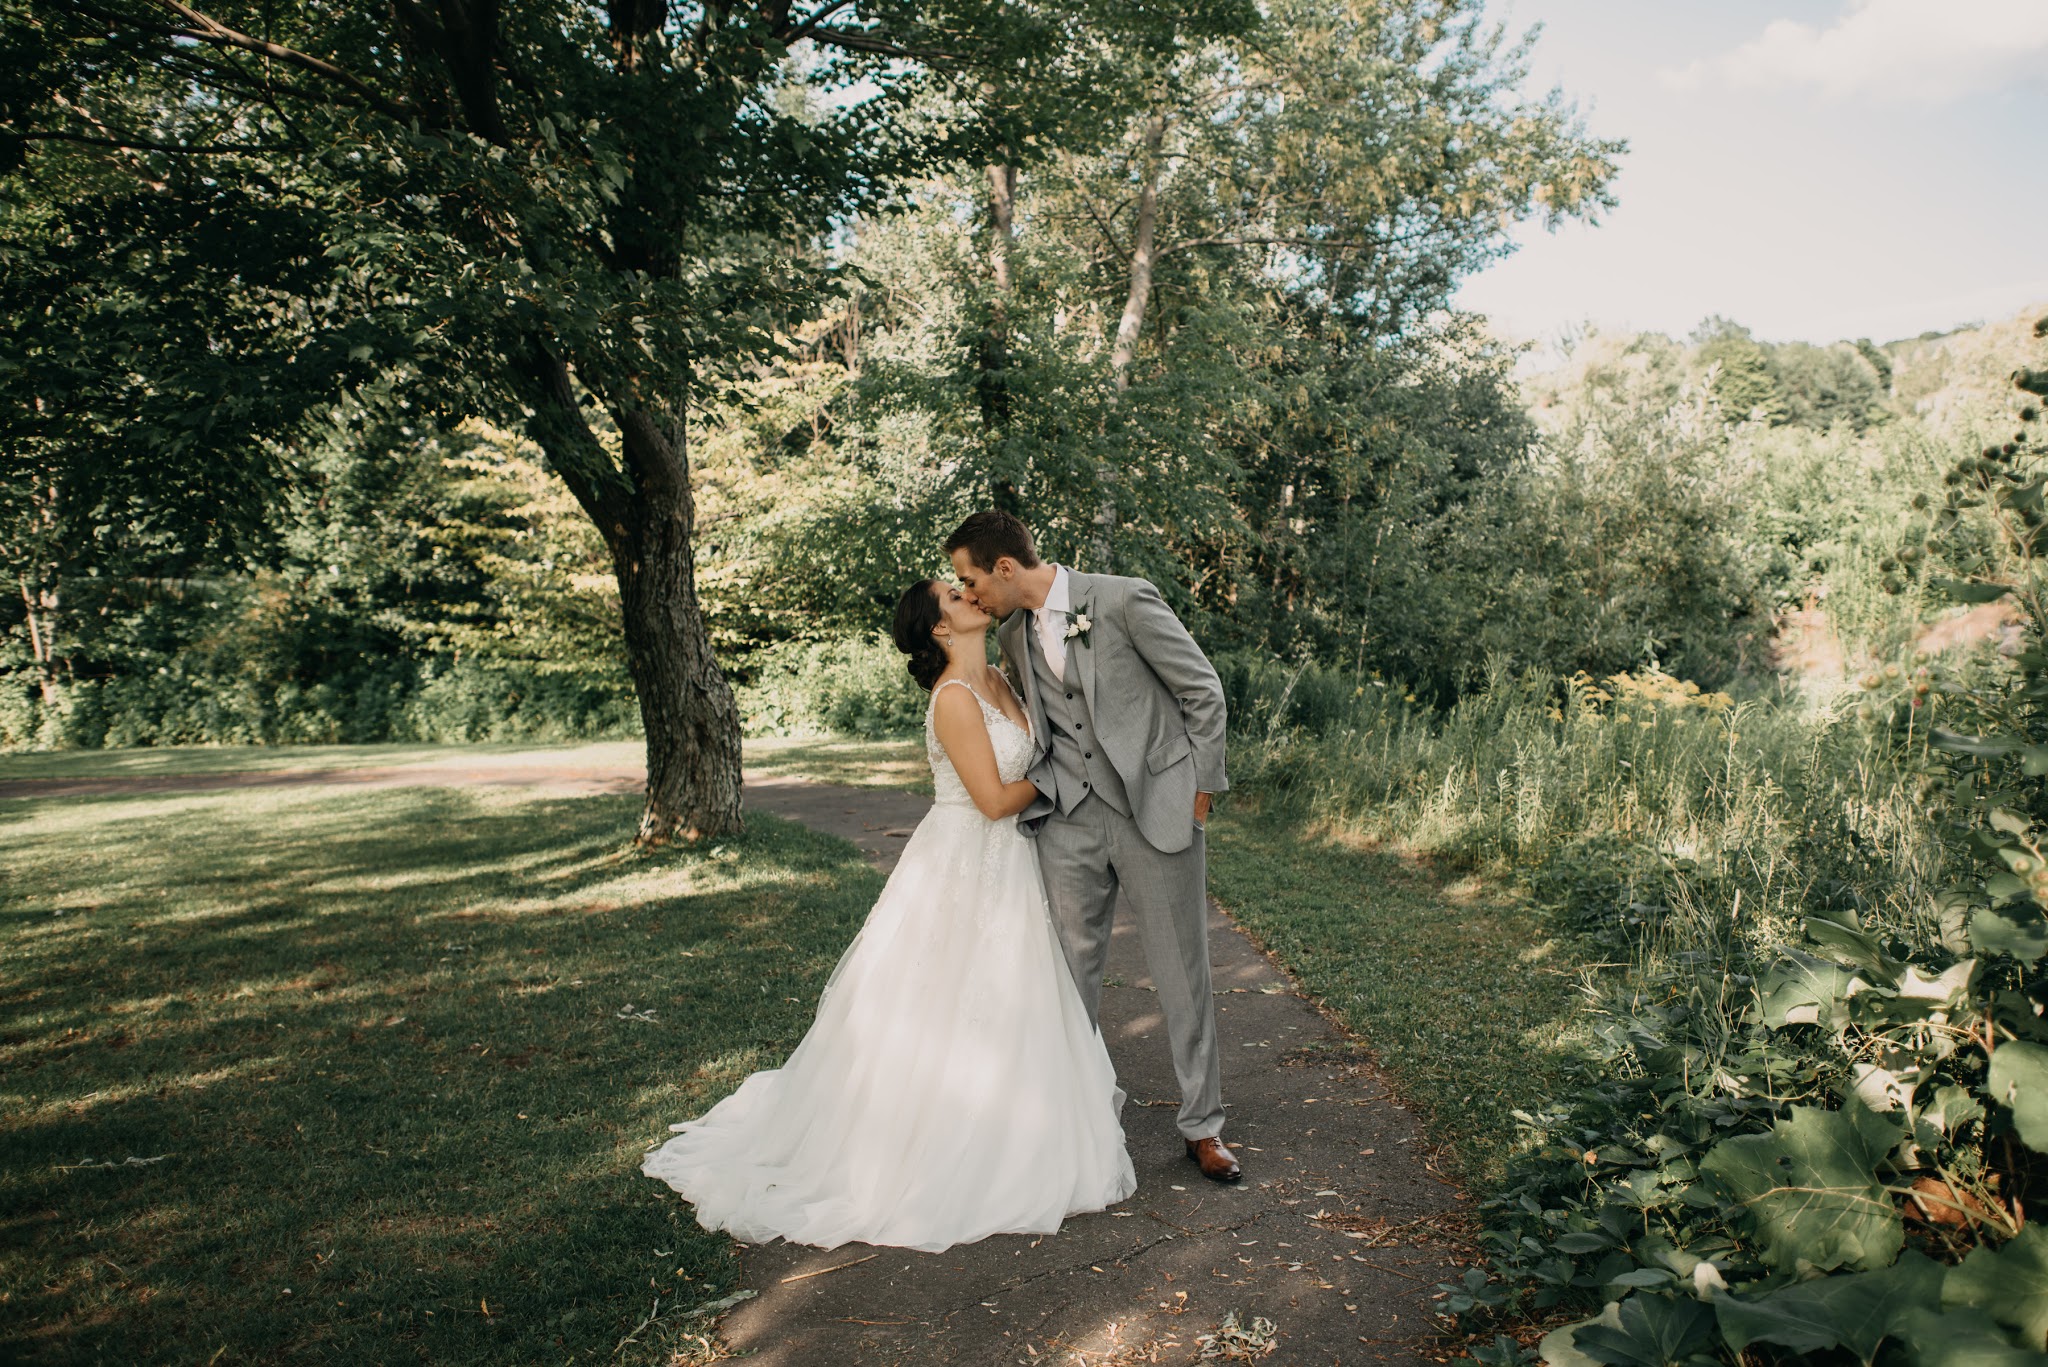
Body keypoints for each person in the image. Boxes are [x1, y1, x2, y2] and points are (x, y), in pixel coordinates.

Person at [640, 579, 1135, 1251]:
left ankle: (1015, 1121)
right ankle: (927, 1141)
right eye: (955, 597)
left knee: (1011, 994)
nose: (970, 595)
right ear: (939, 628)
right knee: (940, 995)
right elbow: (991, 798)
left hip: (1013, 865)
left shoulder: (999, 676)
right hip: (962, 856)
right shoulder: (955, 700)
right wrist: (1067, 778)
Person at [943, 510, 1241, 1183]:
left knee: (1182, 973)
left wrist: (1201, 788)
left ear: (1006, 568)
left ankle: (1204, 1126)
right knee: (1067, 976)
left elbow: (1202, 689)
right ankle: (1072, 1120)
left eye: (970, 578)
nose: (968, 593)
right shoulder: (1014, 634)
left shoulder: (1123, 598)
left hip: (1153, 811)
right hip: (1068, 817)